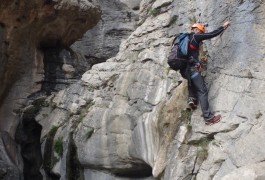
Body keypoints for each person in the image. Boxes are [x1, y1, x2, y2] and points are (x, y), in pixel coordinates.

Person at [180, 21, 230, 125]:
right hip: (193, 69)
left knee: (193, 81)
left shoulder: (187, 38)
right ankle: (208, 118)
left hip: (184, 70)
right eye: (201, 31)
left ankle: (192, 98)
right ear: (198, 30)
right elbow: (211, 34)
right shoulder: (196, 37)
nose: (201, 34)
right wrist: (223, 27)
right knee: (202, 91)